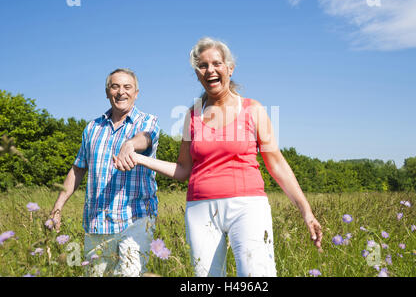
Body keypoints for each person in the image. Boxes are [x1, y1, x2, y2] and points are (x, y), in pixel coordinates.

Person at [114, 37, 323, 277]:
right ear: (197, 73)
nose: (210, 70)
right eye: (203, 65)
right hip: (200, 208)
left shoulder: (253, 109)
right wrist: (139, 159)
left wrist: (306, 211)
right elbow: (183, 170)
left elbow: (276, 164)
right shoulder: (192, 115)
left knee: (256, 276)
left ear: (230, 68)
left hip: (247, 206)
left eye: (216, 63)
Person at [49, 68, 160, 277]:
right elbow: (78, 168)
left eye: (127, 87)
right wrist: (58, 206)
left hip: (135, 219)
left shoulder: (147, 121)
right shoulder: (92, 128)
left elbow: (145, 138)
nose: (121, 92)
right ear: (107, 91)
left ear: (136, 93)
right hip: (97, 222)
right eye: (115, 86)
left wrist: (130, 144)